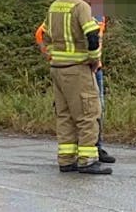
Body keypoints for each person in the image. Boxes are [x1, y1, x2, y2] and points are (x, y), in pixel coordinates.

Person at [43, 0, 110, 175]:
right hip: (77, 69)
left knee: (64, 115)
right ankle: (88, 159)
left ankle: (66, 159)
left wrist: (55, 55)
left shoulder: (54, 6)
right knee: (88, 113)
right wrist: (93, 60)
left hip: (57, 69)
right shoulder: (81, 7)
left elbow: (45, 36)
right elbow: (92, 35)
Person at [36, 12, 114, 163]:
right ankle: (81, 152)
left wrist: (96, 60)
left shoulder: (100, 15)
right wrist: (52, 56)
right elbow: (41, 35)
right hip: (78, 68)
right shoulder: (77, 11)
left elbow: (96, 39)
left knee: (97, 109)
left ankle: (95, 147)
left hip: (93, 68)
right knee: (80, 110)